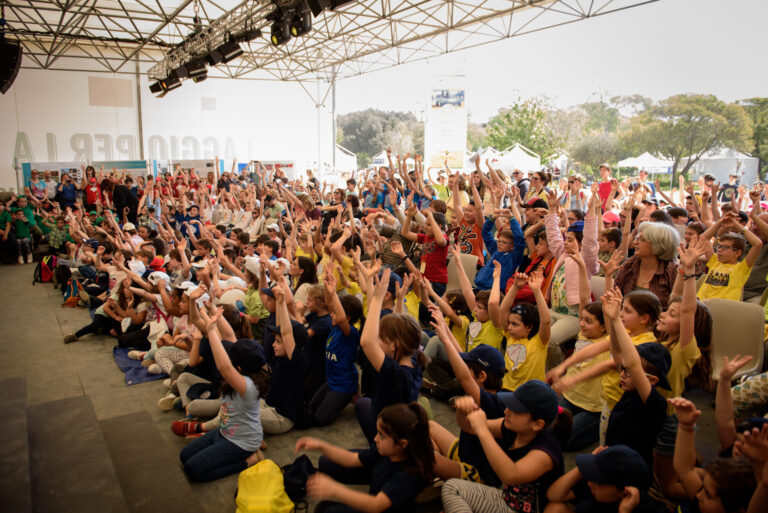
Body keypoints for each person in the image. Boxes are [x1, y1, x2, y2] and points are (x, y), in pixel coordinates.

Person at [441, 380, 569, 513]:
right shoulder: (513, 427)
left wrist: (482, 429)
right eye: (509, 405)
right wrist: (462, 411)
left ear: (537, 424)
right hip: (508, 500)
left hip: (529, 510)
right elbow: (468, 428)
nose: (507, 411)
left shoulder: (546, 450)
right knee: (452, 487)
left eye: (516, 410)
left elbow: (511, 475)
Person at [180, 308, 268, 482]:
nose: (229, 358)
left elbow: (224, 367)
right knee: (184, 456)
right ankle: (254, 447)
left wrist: (211, 330)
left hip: (241, 442)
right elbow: (229, 337)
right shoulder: (248, 372)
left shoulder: (248, 385)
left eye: (231, 358)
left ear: (239, 367)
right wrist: (212, 312)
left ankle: (249, 460)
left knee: (192, 470)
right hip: (225, 431)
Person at [296, 403, 434, 513]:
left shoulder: (406, 477)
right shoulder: (384, 453)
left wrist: (335, 489)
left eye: (382, 435)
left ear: (402, 444)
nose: (375, 438)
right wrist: (322, 446)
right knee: (325, 508)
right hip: (374, 502)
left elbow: (376, 506)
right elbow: (351, 459)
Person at [357, 268, 425, 445]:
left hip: (392, 432)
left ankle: (379, 445)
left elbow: (366, 342)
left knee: (362, 404)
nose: (377, 342)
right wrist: (400, 299)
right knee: (363, 403)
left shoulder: (395, 372)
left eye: (381, 339)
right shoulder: (414, 359)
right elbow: (400, 329)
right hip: (399, 419)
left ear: (394, 345)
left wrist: (377, 299)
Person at [546, 445, 660, 513]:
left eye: (599, 482)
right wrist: (584, 468)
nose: (590, 484)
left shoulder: (644, 509)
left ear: (625, 493)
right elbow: (554, 495)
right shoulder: (594, 485)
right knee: (554, 508)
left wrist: (624, 512)